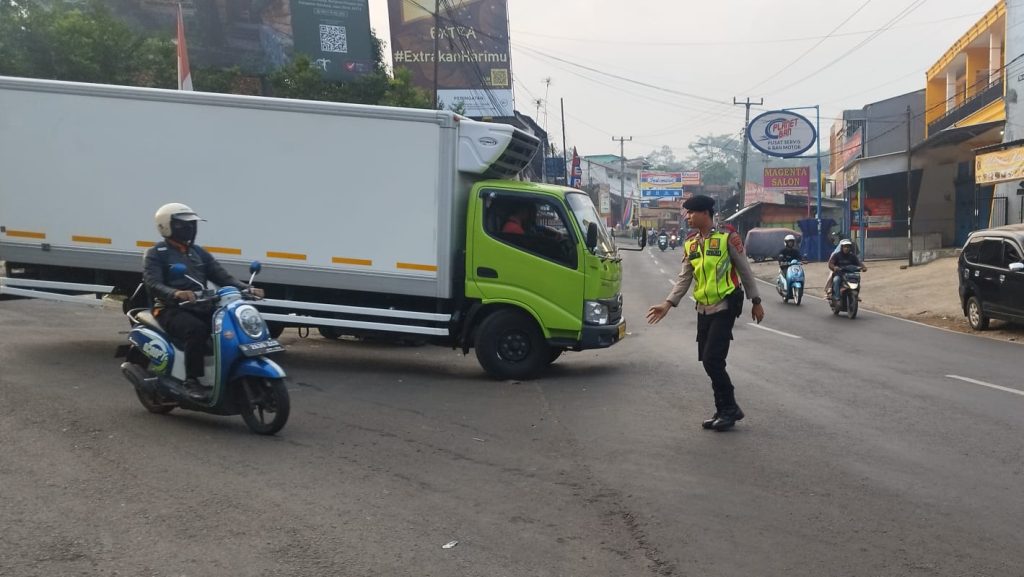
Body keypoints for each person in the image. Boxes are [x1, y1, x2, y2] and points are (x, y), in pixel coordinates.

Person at [646, 195, 765, 432]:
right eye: (686, 213)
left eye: (690, 213)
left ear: (704, 213)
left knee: (713, 359)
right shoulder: (690, 243)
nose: (687, 217)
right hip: (703, 308)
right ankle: (723, 409)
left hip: (725, 306)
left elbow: (745, 271)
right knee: (708, 361)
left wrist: (756, 301)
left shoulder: (727, 238)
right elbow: (684, 278)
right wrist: (667, 304)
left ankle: (730, 408)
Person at [143, 203, 263, 400]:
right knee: (196, 330)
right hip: (169, 308)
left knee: (230, 326)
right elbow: (153, 283)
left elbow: (222, 277)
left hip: (200, 305)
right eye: (184, 225)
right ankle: (192, 380)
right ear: (167, 226)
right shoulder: (156, 253)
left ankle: (227, 373)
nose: (190, 229)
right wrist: (176, 293)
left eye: (192, 225)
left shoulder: (198, 252)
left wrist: (246, 289)